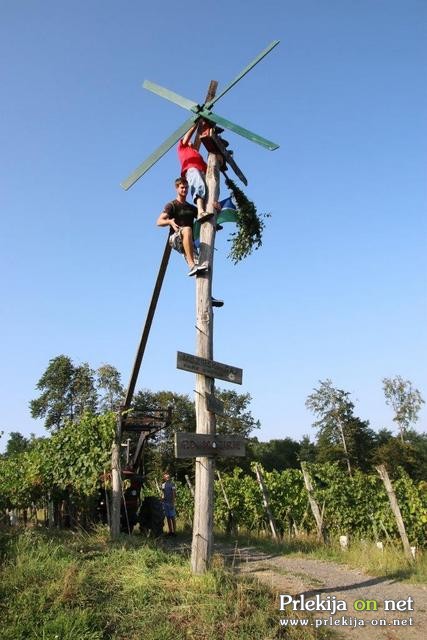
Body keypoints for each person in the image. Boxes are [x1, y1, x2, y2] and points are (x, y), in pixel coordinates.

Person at [157, 177, 209, 277]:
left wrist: (215, 207)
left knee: (203, 268)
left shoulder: (191, 208)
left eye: (186, 188)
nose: (184, 190)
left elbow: (204, 214)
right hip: (175, 238)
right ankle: (191, 265)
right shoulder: (172, 205)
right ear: (177, 189)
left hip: (188, 241)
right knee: (187, 229)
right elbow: (159, 221)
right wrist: (169, 222)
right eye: (182, 188)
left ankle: (195, 269)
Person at [177, 122, 208, 218]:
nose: (191, 142)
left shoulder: (197, 154)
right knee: (197, 185)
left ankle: (208, 212)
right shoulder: (182, 148)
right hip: (191, 169)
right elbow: (189, 134)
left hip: (202, 172)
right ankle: (200, 211)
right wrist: (195, 123)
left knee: (208, 191)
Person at [161, 472, 176, 536]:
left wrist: (173, 503)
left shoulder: (172, 484)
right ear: (164, 478)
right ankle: (170, 531)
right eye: (166, 476)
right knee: (168, 518)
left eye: (168, 476)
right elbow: (163, 493)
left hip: (171, 502)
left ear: (169, 477)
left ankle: (174, 532)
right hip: (165, 502)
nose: (167, 477)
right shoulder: (163, 485)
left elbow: (174, 494)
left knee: (172, 517)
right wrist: (162, 500)